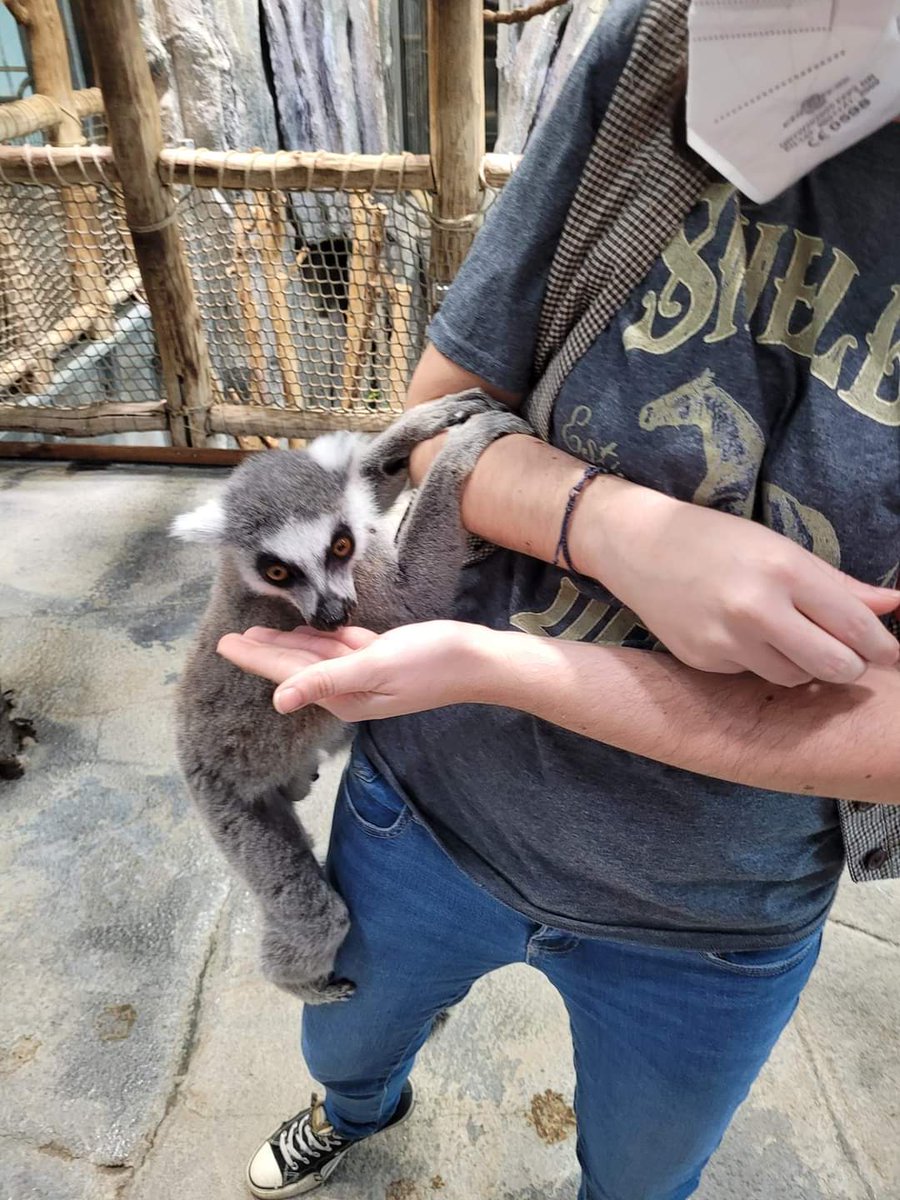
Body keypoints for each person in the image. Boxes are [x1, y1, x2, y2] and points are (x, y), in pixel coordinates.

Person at [221, 1, 900, 1196]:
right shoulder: (668, 46)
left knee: (643, 1175)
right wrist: (622, 530)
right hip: (431, 805)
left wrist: (496, 662)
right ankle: (358, 1106)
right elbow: (438, 411)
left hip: (721, 908)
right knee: (341, 1033)